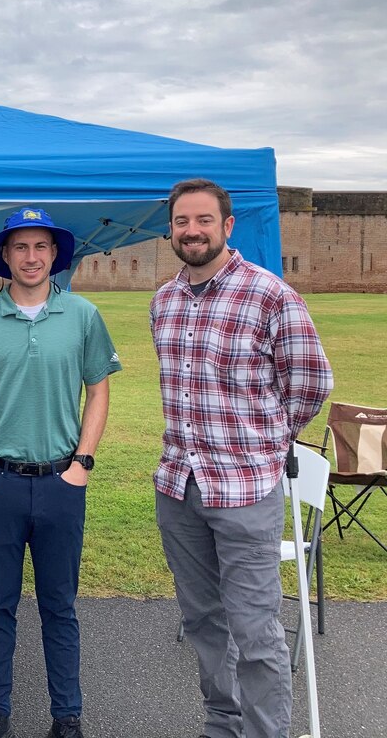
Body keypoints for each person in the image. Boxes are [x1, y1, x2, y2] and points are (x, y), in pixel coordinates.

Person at [151, 178, 332, 738]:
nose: (193, 231)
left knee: (255, 630)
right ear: (172, 230)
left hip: (246, 490)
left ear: (227, 227)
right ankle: (223, 723)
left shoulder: (270, 295)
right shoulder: (164, 301)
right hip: (180, 486)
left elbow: (310, 383)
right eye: (183, 222)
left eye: (204, 220)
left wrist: (267, 442)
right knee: (204, 622)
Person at [0, 207, 122, 738]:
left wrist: (83, 464)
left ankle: (66, 717)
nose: (31, 257)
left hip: (60, 482)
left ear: (55, 255)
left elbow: (98, 388)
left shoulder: (83, 315)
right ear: (4, 255)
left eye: (40, 247)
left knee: (59, 606)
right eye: (20, 247)